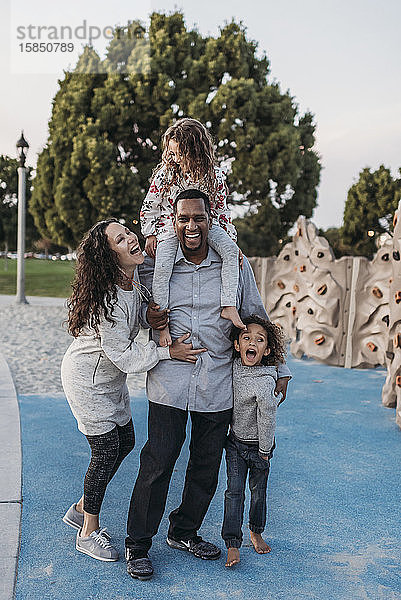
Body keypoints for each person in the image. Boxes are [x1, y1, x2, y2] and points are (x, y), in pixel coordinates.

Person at [125, 190, 292, 580]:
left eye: (198, 218)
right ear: (174, 220)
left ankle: (183, 531)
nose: (191, 226)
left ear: (211, 219)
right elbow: (139, 308)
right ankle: (138, 544)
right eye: (184, 218)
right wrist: (153, 321)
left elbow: (256, 314)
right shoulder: (156, 265)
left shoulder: (235, 264)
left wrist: (281, 367)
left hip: (217, 382)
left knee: (205, 466)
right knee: (158, 460)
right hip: (169, 379)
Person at [61, 218, 204, 562]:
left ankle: (81, 508)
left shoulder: (132, 278)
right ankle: (88, 531)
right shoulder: (106, 298)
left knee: (125, 442)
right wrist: (169, 351)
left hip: (109, 380)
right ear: (109, 257)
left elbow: (134, 317)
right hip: (88, 380)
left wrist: (149, 317)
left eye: (128, 232)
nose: (132, 239)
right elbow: (124, 356)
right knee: (106, 450)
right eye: (120, 239)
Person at [140, 117, 244, 347]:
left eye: (179, 153)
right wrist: (150, 233)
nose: (175, 158)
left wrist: (231, 240)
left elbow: (221, 209)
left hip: (209, 224)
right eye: (172, 154)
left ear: (195, 150)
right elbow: (150, 204)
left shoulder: (214, 176)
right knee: (162, 269)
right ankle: (163, 323)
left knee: (229, 253)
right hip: (170, 226)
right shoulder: (167, 174)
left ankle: (228, 305)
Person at [222, 315, 291, 568]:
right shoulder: (233, 366)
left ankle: (256, 530)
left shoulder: (264, 382)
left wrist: (264, 451)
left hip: (259, 446)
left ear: (267, 350)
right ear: (237, 345)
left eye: (260, 340)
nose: (253, 342)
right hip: (235, 443)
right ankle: (232, 543)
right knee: (234, 492)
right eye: (247, 338)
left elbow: (268, 418)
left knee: (258, 492)